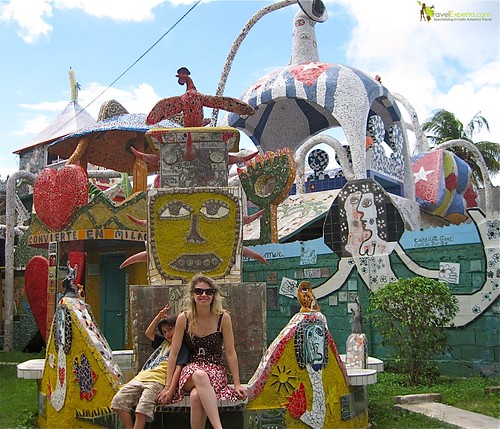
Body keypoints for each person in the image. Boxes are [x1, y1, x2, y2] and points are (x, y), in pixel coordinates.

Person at [157, 274, 247, 429]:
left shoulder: (223, 318)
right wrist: (167, 386)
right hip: (191, 372)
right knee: (199, 374)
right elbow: (174, 354)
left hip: (215, 370)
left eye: (208, 292)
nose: (203, 295)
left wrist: (237, 384)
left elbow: (231, 352)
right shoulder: (183, 319)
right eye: (199, 291)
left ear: (214, 295)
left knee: (196, 396)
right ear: (192, 295)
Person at [111, 305, 189, 429]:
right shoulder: (163, 343)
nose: (167, 334)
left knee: (141, 410)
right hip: (141, 378)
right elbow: (148, 333)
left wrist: (169, 389)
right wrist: (158, 317)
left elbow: (178, 369)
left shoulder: (182, 347)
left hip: (157, 382)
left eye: (170, 329)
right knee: (118, 401)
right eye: (164, 332)